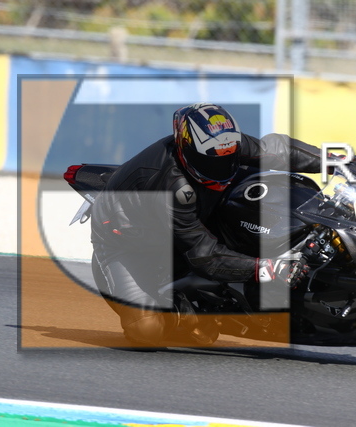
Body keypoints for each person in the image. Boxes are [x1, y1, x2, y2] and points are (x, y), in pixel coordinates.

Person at [90, 103, 323, 347]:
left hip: (194, 214)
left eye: (229, 156)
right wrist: (267, 269)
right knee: (147, 331)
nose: (221, 168)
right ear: (186, 149)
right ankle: (179, 309)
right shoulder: (172, 186)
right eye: (210, 160)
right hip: (130, 244)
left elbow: (277, 150)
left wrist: (336, 161)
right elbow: (203, 255)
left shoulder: (223, 144)